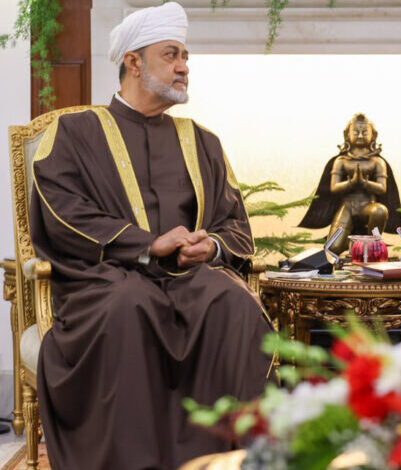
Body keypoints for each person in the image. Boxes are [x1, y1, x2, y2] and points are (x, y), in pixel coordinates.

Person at [29, 3, 273, 469]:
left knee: (234, 303)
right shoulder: (74, 133)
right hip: (106, 279)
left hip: (190, 279)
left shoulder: (203, 141)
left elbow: (234, 223)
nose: (184, 67)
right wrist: (146, 246)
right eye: (171, 55)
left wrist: (211, 246)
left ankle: (236, 458)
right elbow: (64, 212)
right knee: (129, 304)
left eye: (185, 56)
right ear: (133, 63)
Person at [299, 113, 401, 254]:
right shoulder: (341, 161)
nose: (360, 135)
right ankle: (351, 244)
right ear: (347, 135)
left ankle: (370, 245)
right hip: (347, 207)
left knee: (380, 211)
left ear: (373, 135)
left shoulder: (377, 162)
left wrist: (364, 183)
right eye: (356, 132)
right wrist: (352, 183)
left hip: (368, 206)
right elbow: (334, 187)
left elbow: (382, 188)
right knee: (333, 247)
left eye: (364, 132)